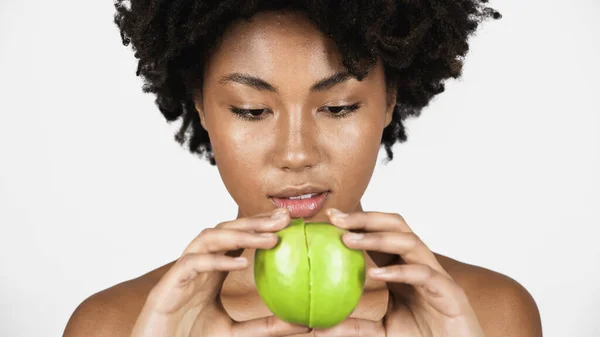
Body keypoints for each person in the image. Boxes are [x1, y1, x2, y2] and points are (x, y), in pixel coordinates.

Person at [63, 1, 542, 336]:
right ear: (202, 107)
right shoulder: (114, 325)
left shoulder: (489, 315)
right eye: (252, 110)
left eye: (337, 107)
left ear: (389, 99)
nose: (296, 153)